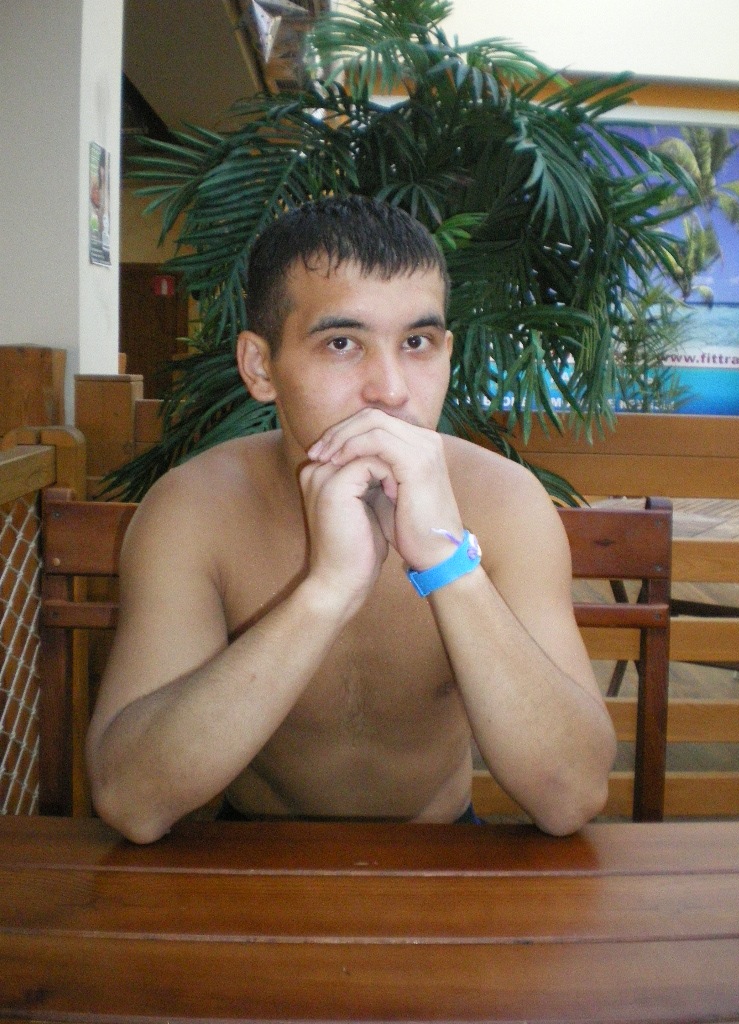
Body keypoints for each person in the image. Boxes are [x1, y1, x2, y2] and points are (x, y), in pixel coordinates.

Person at [86, 196, 616, 844]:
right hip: (255, 856)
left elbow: (571, 795)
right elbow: (132, 799)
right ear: (260, 367)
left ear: (447, 353)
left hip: (441, 853)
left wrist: (447, 562)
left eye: (417, 343)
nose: (391, 389)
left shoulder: (506, 503)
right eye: (342, 343)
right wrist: (326, 591)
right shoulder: (195, 509)